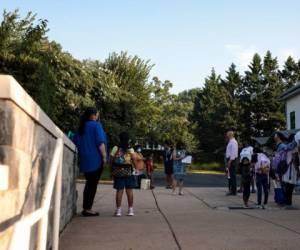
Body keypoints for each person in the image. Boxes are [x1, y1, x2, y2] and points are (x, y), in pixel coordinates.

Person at [73, 107, 107, 216]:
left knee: (89, 184)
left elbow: (75, 143)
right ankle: (87, 209)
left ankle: (86, 207)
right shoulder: (96, 125)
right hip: (96, 160)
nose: (98, 116)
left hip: (84, 159)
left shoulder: (80, 128)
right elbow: (100, 143)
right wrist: (104, 156)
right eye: (97, 114)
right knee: (92, 185)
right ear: (93, 115)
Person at [110, 132, 136, 217]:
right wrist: (136, 168)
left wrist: (111, 170)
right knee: (129, 191)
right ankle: (130, 210)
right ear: (128, 139)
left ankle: (118, 211)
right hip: (128, 171)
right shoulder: (130, 148)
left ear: (119, 138)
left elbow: (111, 160)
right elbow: (134, 159)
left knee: (119, 191)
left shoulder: (116, 148)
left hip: (118, 171)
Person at [225, 129, 239, 196]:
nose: (226, 135)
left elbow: (233, 153)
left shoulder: (233, 142)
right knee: (230, 176)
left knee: (232, 176)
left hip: (232, 160)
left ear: (230, 134)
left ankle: (233, 191)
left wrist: (229, 162)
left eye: (227, 134)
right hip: (230, 160)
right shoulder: (230, 141)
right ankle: (231, 190)